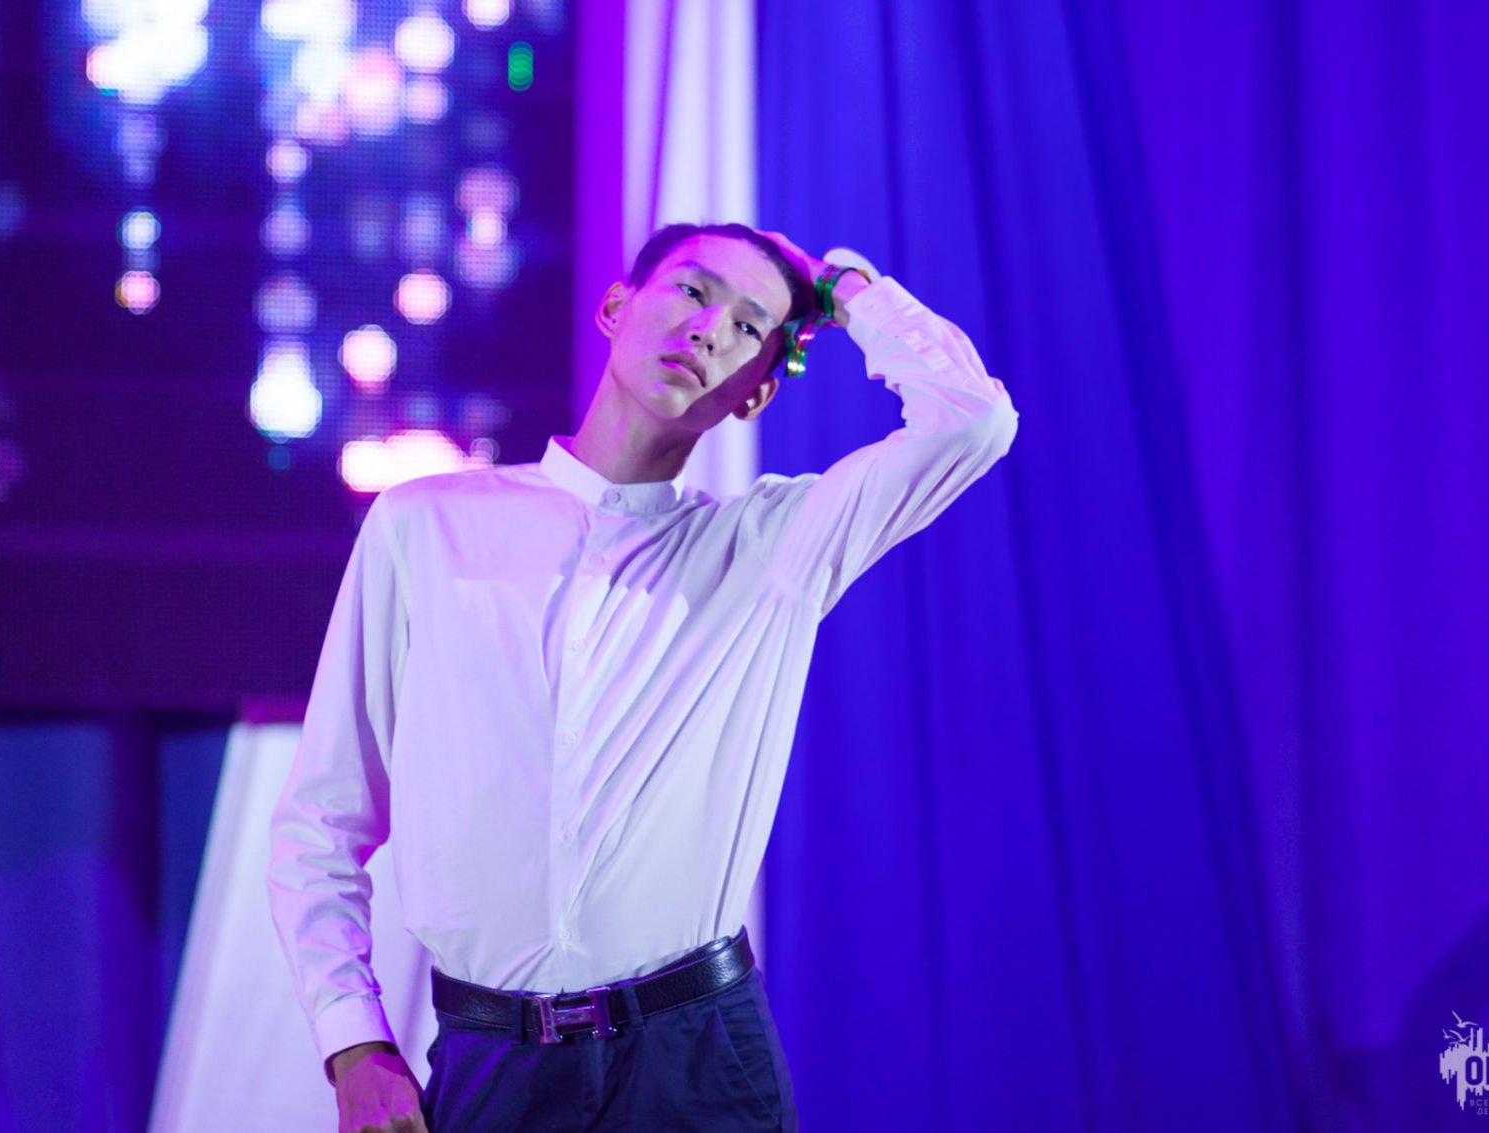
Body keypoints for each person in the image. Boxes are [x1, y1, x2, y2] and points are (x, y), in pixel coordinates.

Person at [267, 222, 1018, 1132]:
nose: (709, 329)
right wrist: (354, 1044)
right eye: (693, 291)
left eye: (749, 327)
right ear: (617, 306)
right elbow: (322, 819)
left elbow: (973, 420)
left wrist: (843, 286)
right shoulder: (425, 525)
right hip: (490, 1057)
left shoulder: (768, 549)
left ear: (757, 392)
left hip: (696, 1062)